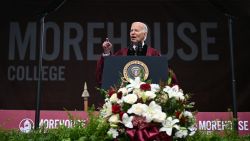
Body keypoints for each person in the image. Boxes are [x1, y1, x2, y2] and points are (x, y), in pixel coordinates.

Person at [96, 22, 178, 86]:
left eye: (136, 30)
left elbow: (167, 76)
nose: (132, 33)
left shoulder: (153, 53)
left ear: (145, 34)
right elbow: (109, 71)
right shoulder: (122, 53)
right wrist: (106, 52)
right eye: (131, 30)